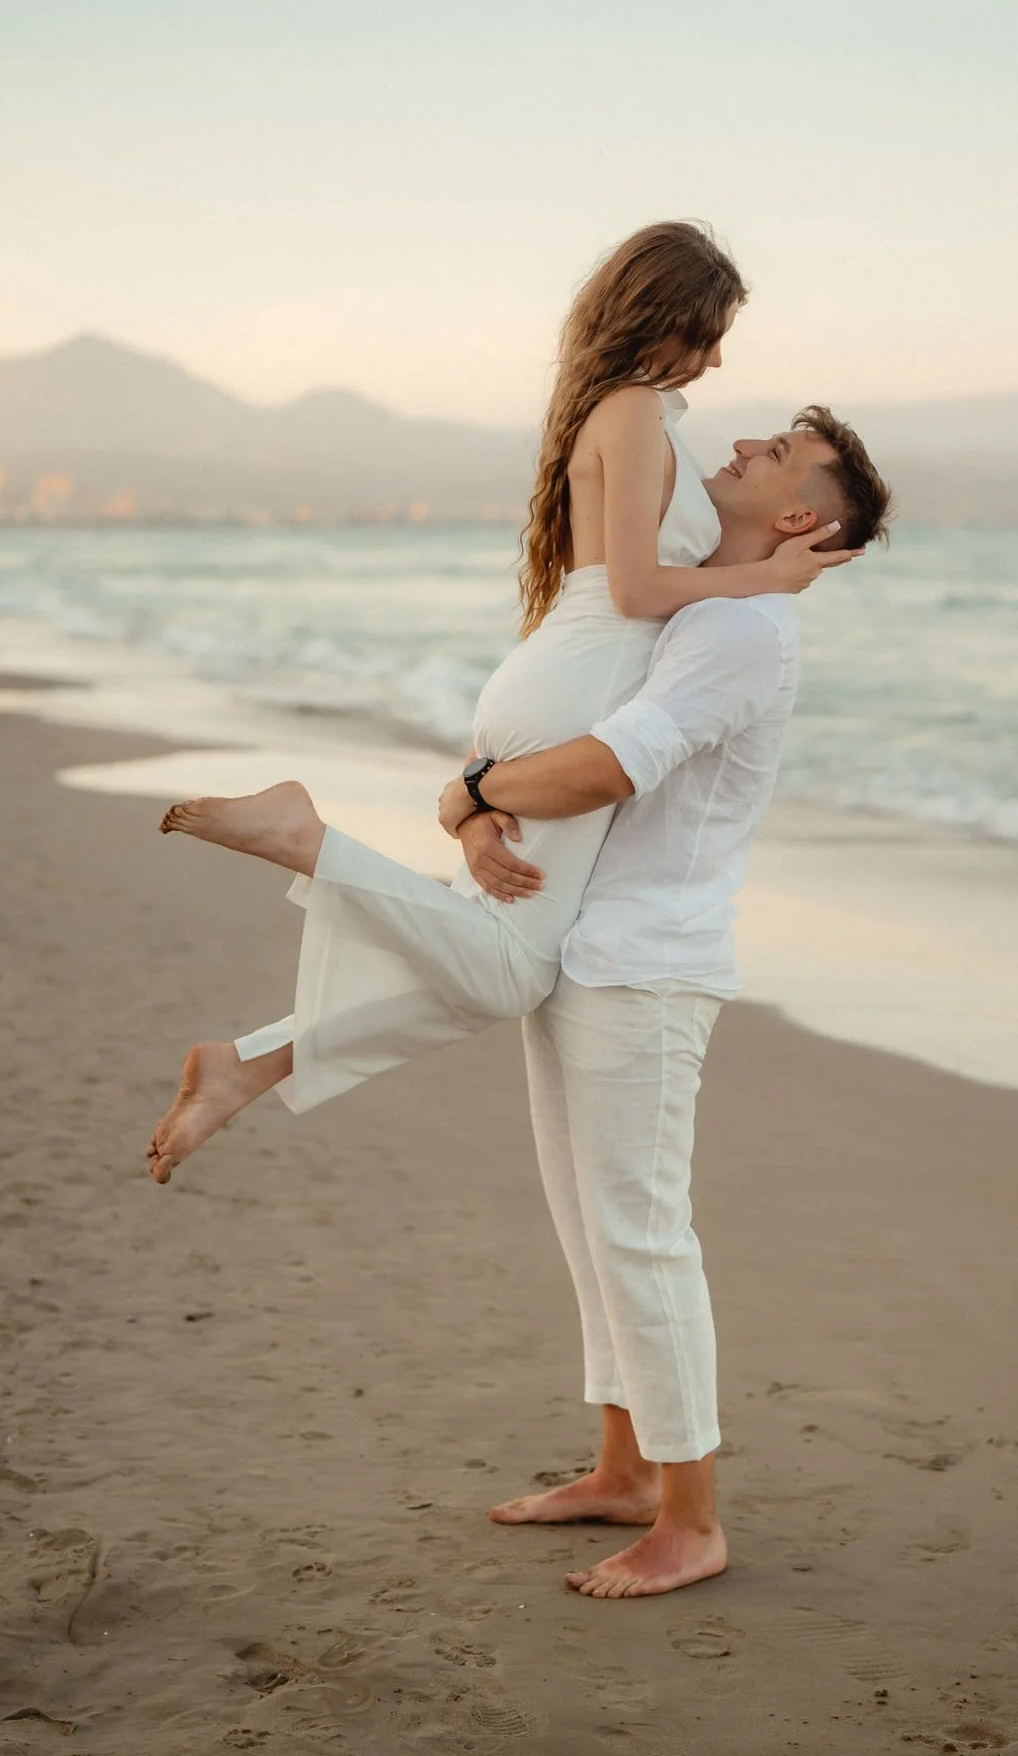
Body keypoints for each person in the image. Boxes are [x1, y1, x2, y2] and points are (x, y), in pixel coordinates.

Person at [147, 405, 893, 1599]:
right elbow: (578, 735)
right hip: (588, 940)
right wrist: (469, 804)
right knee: (591, 1230)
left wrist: (472, 788)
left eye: (781, 452)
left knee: (644, 1236)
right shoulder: (713, 598)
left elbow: (606, 763)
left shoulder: (744, 629)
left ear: (802, 514)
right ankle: (624, 1469)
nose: (748, 439)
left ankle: (691, 1516)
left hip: (647, 967)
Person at [149, 221, 852, 1173]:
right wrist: (765, 580)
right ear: (666, 315)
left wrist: (480, 797)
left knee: (484, 946)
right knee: (509, 974)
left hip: (563, 673)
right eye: (711, 329)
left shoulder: (626, 411)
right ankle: (302, 839)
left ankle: (251, 1063)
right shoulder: (639, 411)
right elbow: (639, 592)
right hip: (587, 676)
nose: (717, 357)